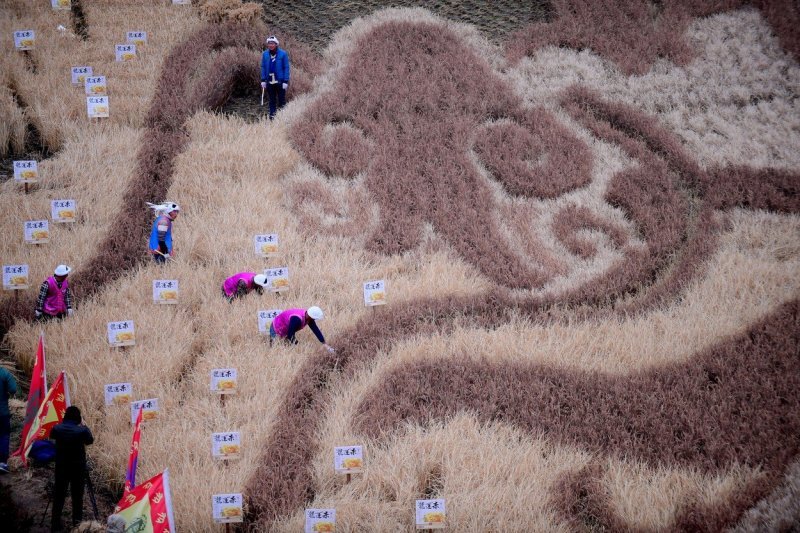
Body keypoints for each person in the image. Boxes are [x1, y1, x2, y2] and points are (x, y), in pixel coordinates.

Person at [50, 405, 94, 532]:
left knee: (59, 496)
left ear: (65, 416)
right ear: (78, 418)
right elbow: (90, 441)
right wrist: (84, 426)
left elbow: (52, 436)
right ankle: (77, 525)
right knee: (77, 497)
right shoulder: (82, 431)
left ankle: (55, 524)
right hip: (78, 469)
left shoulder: (56, 429)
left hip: (61, 468)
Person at [270, 306, 334, 352]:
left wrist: (324, 343)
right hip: (276, 327)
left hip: (286, 329)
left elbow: (315, 330)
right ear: (311, 316)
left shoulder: (308, 317)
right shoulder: (297, 319)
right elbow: (290, 334)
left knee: (288, 347)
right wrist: (298, 346)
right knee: (274, 349)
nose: (314, 320)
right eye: (314, 318)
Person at [260, 35, 290, 120]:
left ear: (276, 44)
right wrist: (263, 80)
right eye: (269, 43)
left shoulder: (283, 54)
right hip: (269, 81)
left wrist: (285, 81)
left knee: (281, 100)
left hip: (280, 81)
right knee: (272, 100)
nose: (270, 45)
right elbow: (263, 67)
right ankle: (272, 118)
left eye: (272, 43)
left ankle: (283, 117)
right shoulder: (265, 54)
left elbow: (286, 67)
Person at [0, 366, 18, 473]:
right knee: (3, 435)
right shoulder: (4, 373)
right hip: (2, 413)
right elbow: (13, 389)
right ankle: (2, 463)